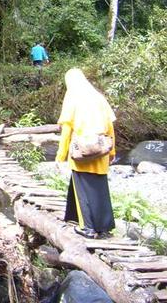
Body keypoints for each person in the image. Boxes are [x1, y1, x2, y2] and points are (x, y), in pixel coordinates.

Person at [56, 68, 116, 239]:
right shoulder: (99, 98)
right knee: (100, 189)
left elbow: (67, 130)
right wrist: (112, 151)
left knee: (83, 190)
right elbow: (110, 128)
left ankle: (88, 227)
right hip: (101, 150)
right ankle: (104, 228)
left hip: (82, 152)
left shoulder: (73, 98)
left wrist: (61, 155)